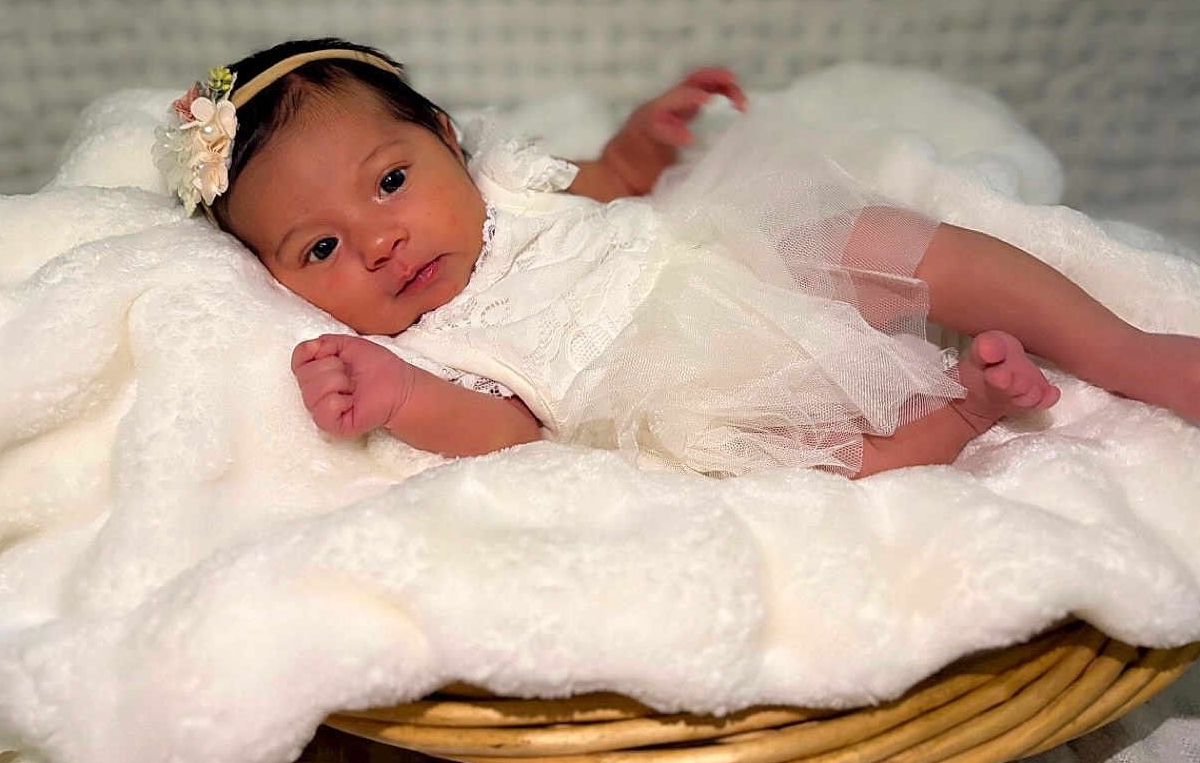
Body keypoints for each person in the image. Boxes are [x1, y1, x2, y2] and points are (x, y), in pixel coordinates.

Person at [154, 38, 1199, 478]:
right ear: (278, 285)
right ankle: (964, 412)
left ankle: (1122, 347)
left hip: (718, 258)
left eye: (389, 181)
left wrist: (639, 144)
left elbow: (603, 187)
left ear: (441, 133)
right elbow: (509, 430)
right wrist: (399, 399)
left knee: (883, 241)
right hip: (678, 387)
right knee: (806, 459)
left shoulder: (501, 186)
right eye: (322, 246)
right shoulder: (439, 345)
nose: (380, 239)